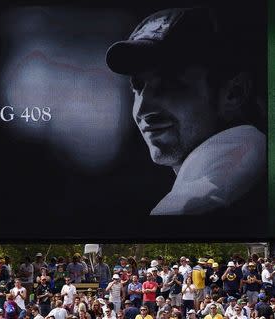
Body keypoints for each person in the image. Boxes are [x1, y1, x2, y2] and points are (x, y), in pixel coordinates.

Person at [105, 6, 266, 216]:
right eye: (138, 87)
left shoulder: (193, 206)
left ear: (234, 93)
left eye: (170, 83)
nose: (143, 109)